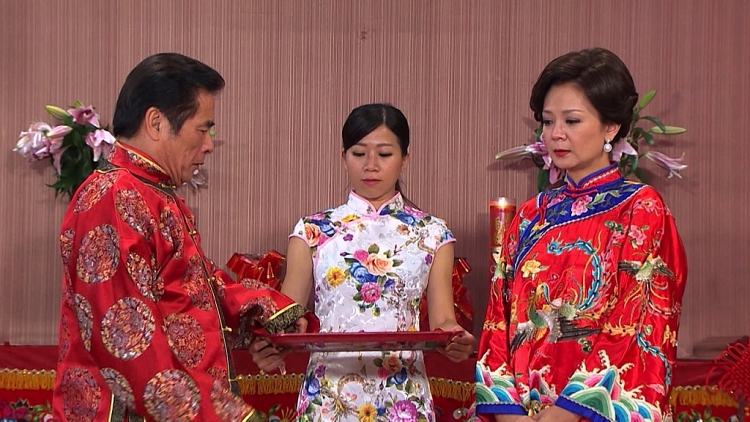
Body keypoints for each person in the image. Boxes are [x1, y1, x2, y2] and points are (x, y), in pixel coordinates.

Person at [52, 52, 314, 422]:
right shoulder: (113, 197)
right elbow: (126, 335)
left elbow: (194, 290)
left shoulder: (152, 194)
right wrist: (226, 417)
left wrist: (270, 313)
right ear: (156, 122)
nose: (209, 144)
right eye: (202, 130)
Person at [475, 48, 687, 422]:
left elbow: (640, 321)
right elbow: (498, 319)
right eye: (547, 121)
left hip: (591, 413)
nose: (556, 134)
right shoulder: (530, 215)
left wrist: (569, 411)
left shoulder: (640, 209)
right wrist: (508, 412)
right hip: (522, 411)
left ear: (611, 127)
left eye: (572, 120)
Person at [250, 103, 476, 422]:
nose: (371, 165)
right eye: (359, 153)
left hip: (403, 395)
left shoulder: (432, 233)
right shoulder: (312, 231)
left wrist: (456, 340)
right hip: (328, 397)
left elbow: (444, 320)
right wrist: (270, 344)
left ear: (405, 158)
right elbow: (287, 319)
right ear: (343, 157)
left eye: (384, 154)